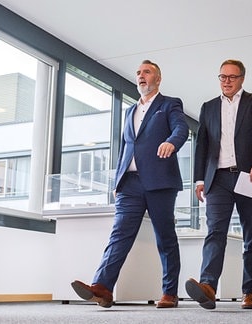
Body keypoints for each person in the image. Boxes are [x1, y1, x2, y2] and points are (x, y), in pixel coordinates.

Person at [71, 60, 189, 309]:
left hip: (159, 182)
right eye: (138, 73)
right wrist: (118, 180)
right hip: (130, 184)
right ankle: (102, 287)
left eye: (146, 72)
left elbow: (181, 128)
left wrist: (171, 142)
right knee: (119, 235)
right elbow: (125, 147)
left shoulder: (169, 104)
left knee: (165, 238)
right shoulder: (129, 111)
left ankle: (170, 292)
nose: (141, 76)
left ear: (158, 78)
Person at [185, 59, 252, 310]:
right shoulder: (209, 107)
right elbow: (201, 144)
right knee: (215, 231)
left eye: (232, 77)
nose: (226, 81)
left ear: (242, 79)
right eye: (222, 77)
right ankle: (208, 287)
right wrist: (200, 178)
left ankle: (250, 291)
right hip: (218, 178)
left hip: (249, 176)